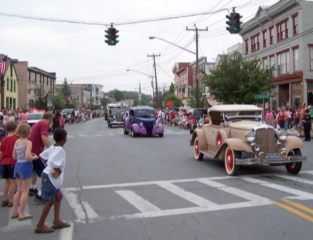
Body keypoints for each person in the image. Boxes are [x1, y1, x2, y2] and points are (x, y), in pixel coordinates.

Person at [34, 128, 70, 233]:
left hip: (48, 175)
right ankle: (40, 225)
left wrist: (49, 163)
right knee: (50, 201)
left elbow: (42, 156)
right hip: (51, 177)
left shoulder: (53, 147)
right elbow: (52, 161)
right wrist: (57, 170)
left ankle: (56, 220)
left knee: (58, 196)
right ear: (64, 138)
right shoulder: (60, 150)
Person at [11, 123, 38, 220]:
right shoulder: (28, 143)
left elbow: (14, 156)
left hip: (17, 165)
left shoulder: (16, 142)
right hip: (25, 166)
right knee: (25, 191)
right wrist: (34, 157)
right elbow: (27, 157)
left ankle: (14, 211)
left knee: (19, 190)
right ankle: (22, 213)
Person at [28, 112, 53, 202]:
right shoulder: (44, 124)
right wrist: (51, 149)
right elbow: (44, 137)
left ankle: (32, 187)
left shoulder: (38, 123)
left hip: (31, 151)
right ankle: (40, 194)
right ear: (50, 119)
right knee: (47, 173)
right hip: (36, 153)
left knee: (35, 171)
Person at [0, 121, 18, 207]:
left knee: (7, 181)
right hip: (12, 162)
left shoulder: (3, 140)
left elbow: (1, 152)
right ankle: (11, 200)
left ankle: (4, 199)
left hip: (4, 162)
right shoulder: (16, 140)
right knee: (13, 182)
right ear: (15, 129)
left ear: (6, 129)